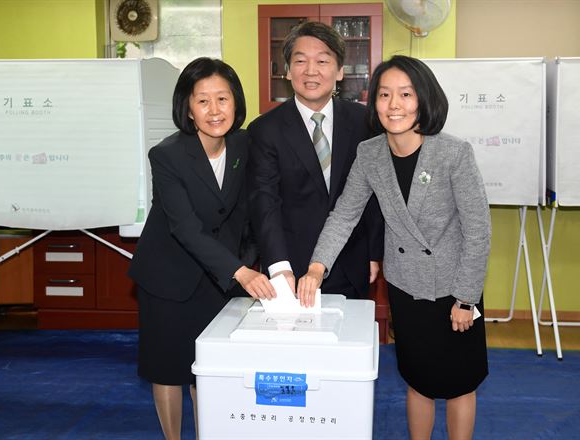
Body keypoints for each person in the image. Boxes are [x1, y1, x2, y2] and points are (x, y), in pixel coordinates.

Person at [298, 55, 491, 440]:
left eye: (405, 93)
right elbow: (344, 214)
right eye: (384, 94)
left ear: (423, 99)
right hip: (405, 286)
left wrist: (466, 299)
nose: (394, 104)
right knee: (417, 379)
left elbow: (478, 230)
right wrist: (317, 266)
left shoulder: (453, 153)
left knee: (459, 384)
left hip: (454, 290)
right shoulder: (370, 154)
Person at [128, 57, 275, 440]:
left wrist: (247, 261)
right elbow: (185, 228)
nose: (215, 110)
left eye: (222, 99)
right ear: (188, 108)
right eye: (203, 101)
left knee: (209, 367)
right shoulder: (168, 155)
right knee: (169, 369)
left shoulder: (245, 144)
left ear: (236, 103)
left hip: (218, 278)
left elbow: (248, 211)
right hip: (169, 278)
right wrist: (240, 272)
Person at [247, 21, 383, 298]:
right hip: (292, 268)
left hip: (351, 260)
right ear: (287, 71)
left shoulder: (364, 122)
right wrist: (278, 265)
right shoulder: (265, 129)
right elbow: (264, 201)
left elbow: (374, 193)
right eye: (300, 61)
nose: (311, 71)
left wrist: (373, 252)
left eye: (322, 60)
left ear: (340, 71)